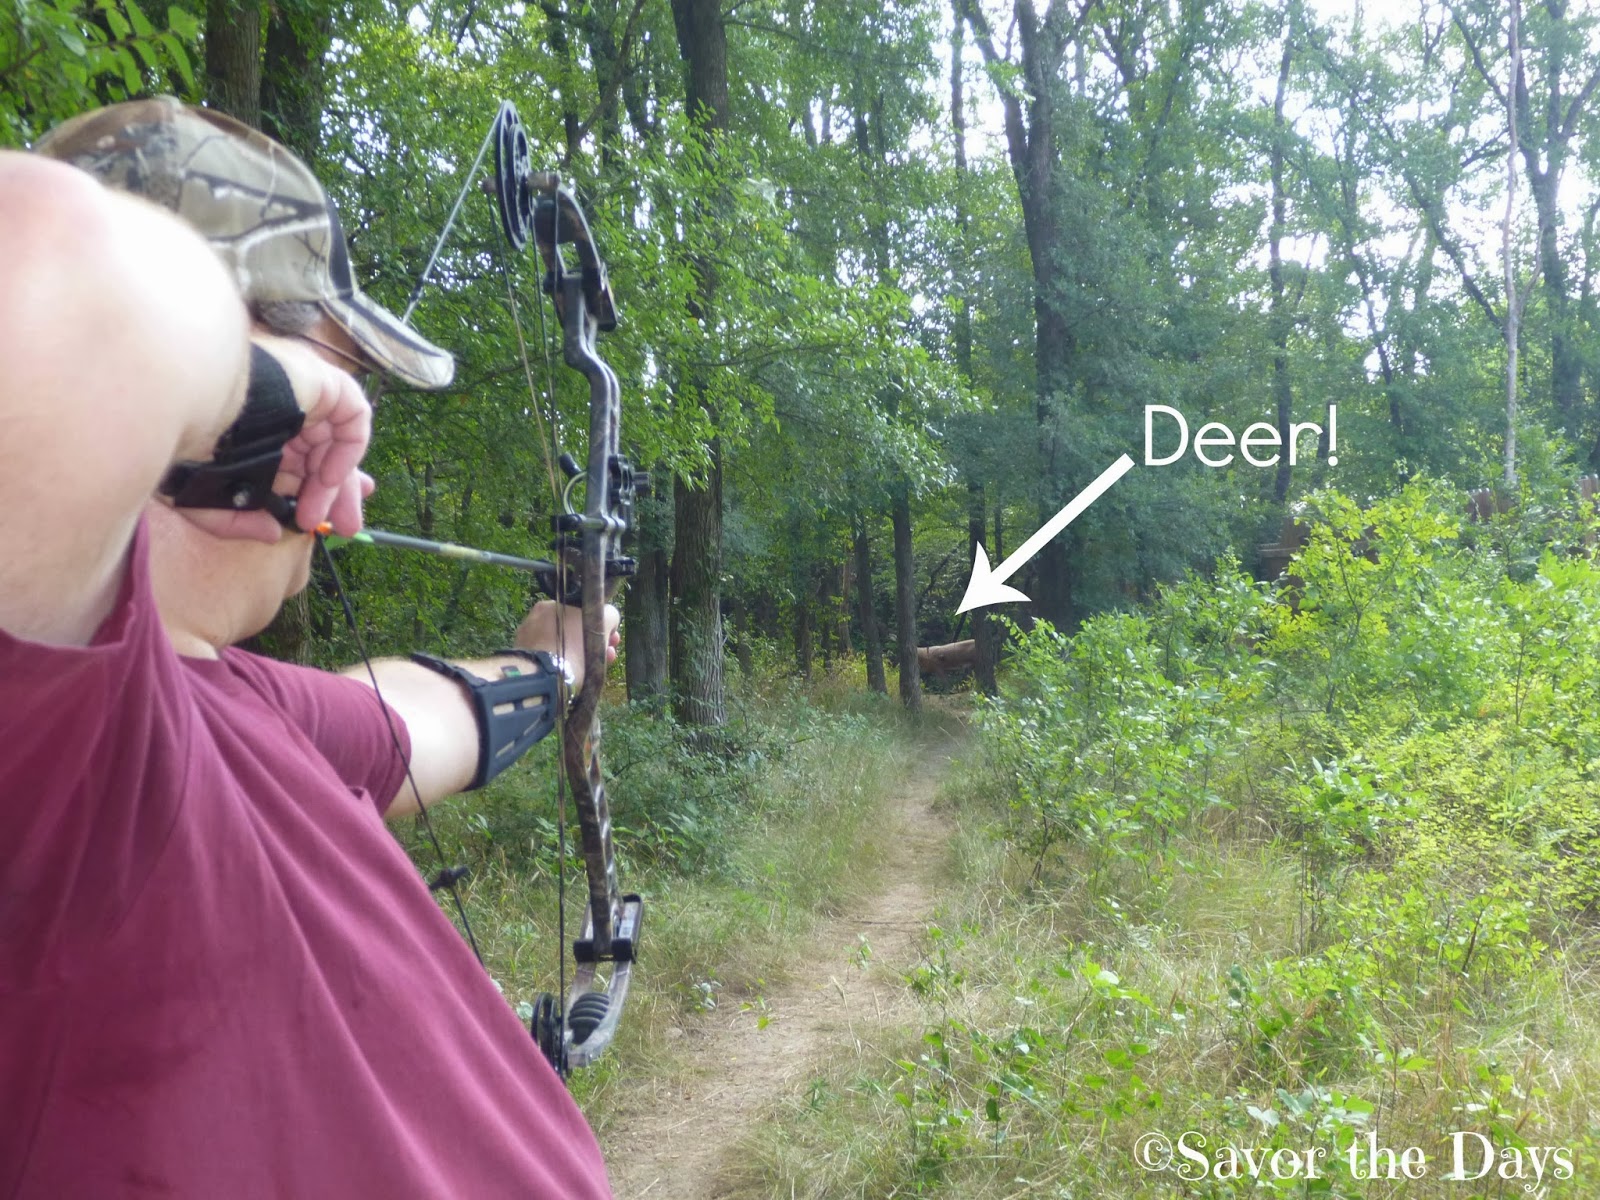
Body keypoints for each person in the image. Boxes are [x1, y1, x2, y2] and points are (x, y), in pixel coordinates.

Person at [1, 99, 615, 1197]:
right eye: (330, 386)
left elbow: (408, 718)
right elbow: (43, 261)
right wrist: (265, 413)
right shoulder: (60, 744)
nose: (354, 470)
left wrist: (561, 659)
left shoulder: (239, 702)